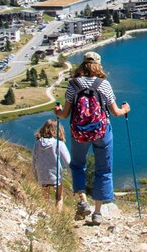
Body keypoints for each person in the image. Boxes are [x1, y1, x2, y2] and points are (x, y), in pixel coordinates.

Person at [54, 51, 130, 225]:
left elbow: (65, 114)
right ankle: (97, 212)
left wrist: (56, 111)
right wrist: (126, 109)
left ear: (82, 65)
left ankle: (82, 200)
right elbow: (116, 112)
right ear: (98, 65)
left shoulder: (73, 85)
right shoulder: (104, 85)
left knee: (77, 165)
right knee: (103, 170)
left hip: (79, 133)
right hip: (102, 133)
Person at [31, 118, 70, 210]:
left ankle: (47, 216)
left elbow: (34, 161)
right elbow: (68, 162)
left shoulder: (37, 143)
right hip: (56, 177)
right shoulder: (58, 143)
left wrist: (36, 176)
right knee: (59, 198)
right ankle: (58, 217)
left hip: (42, 175)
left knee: (45, 199)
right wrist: (71, 175)